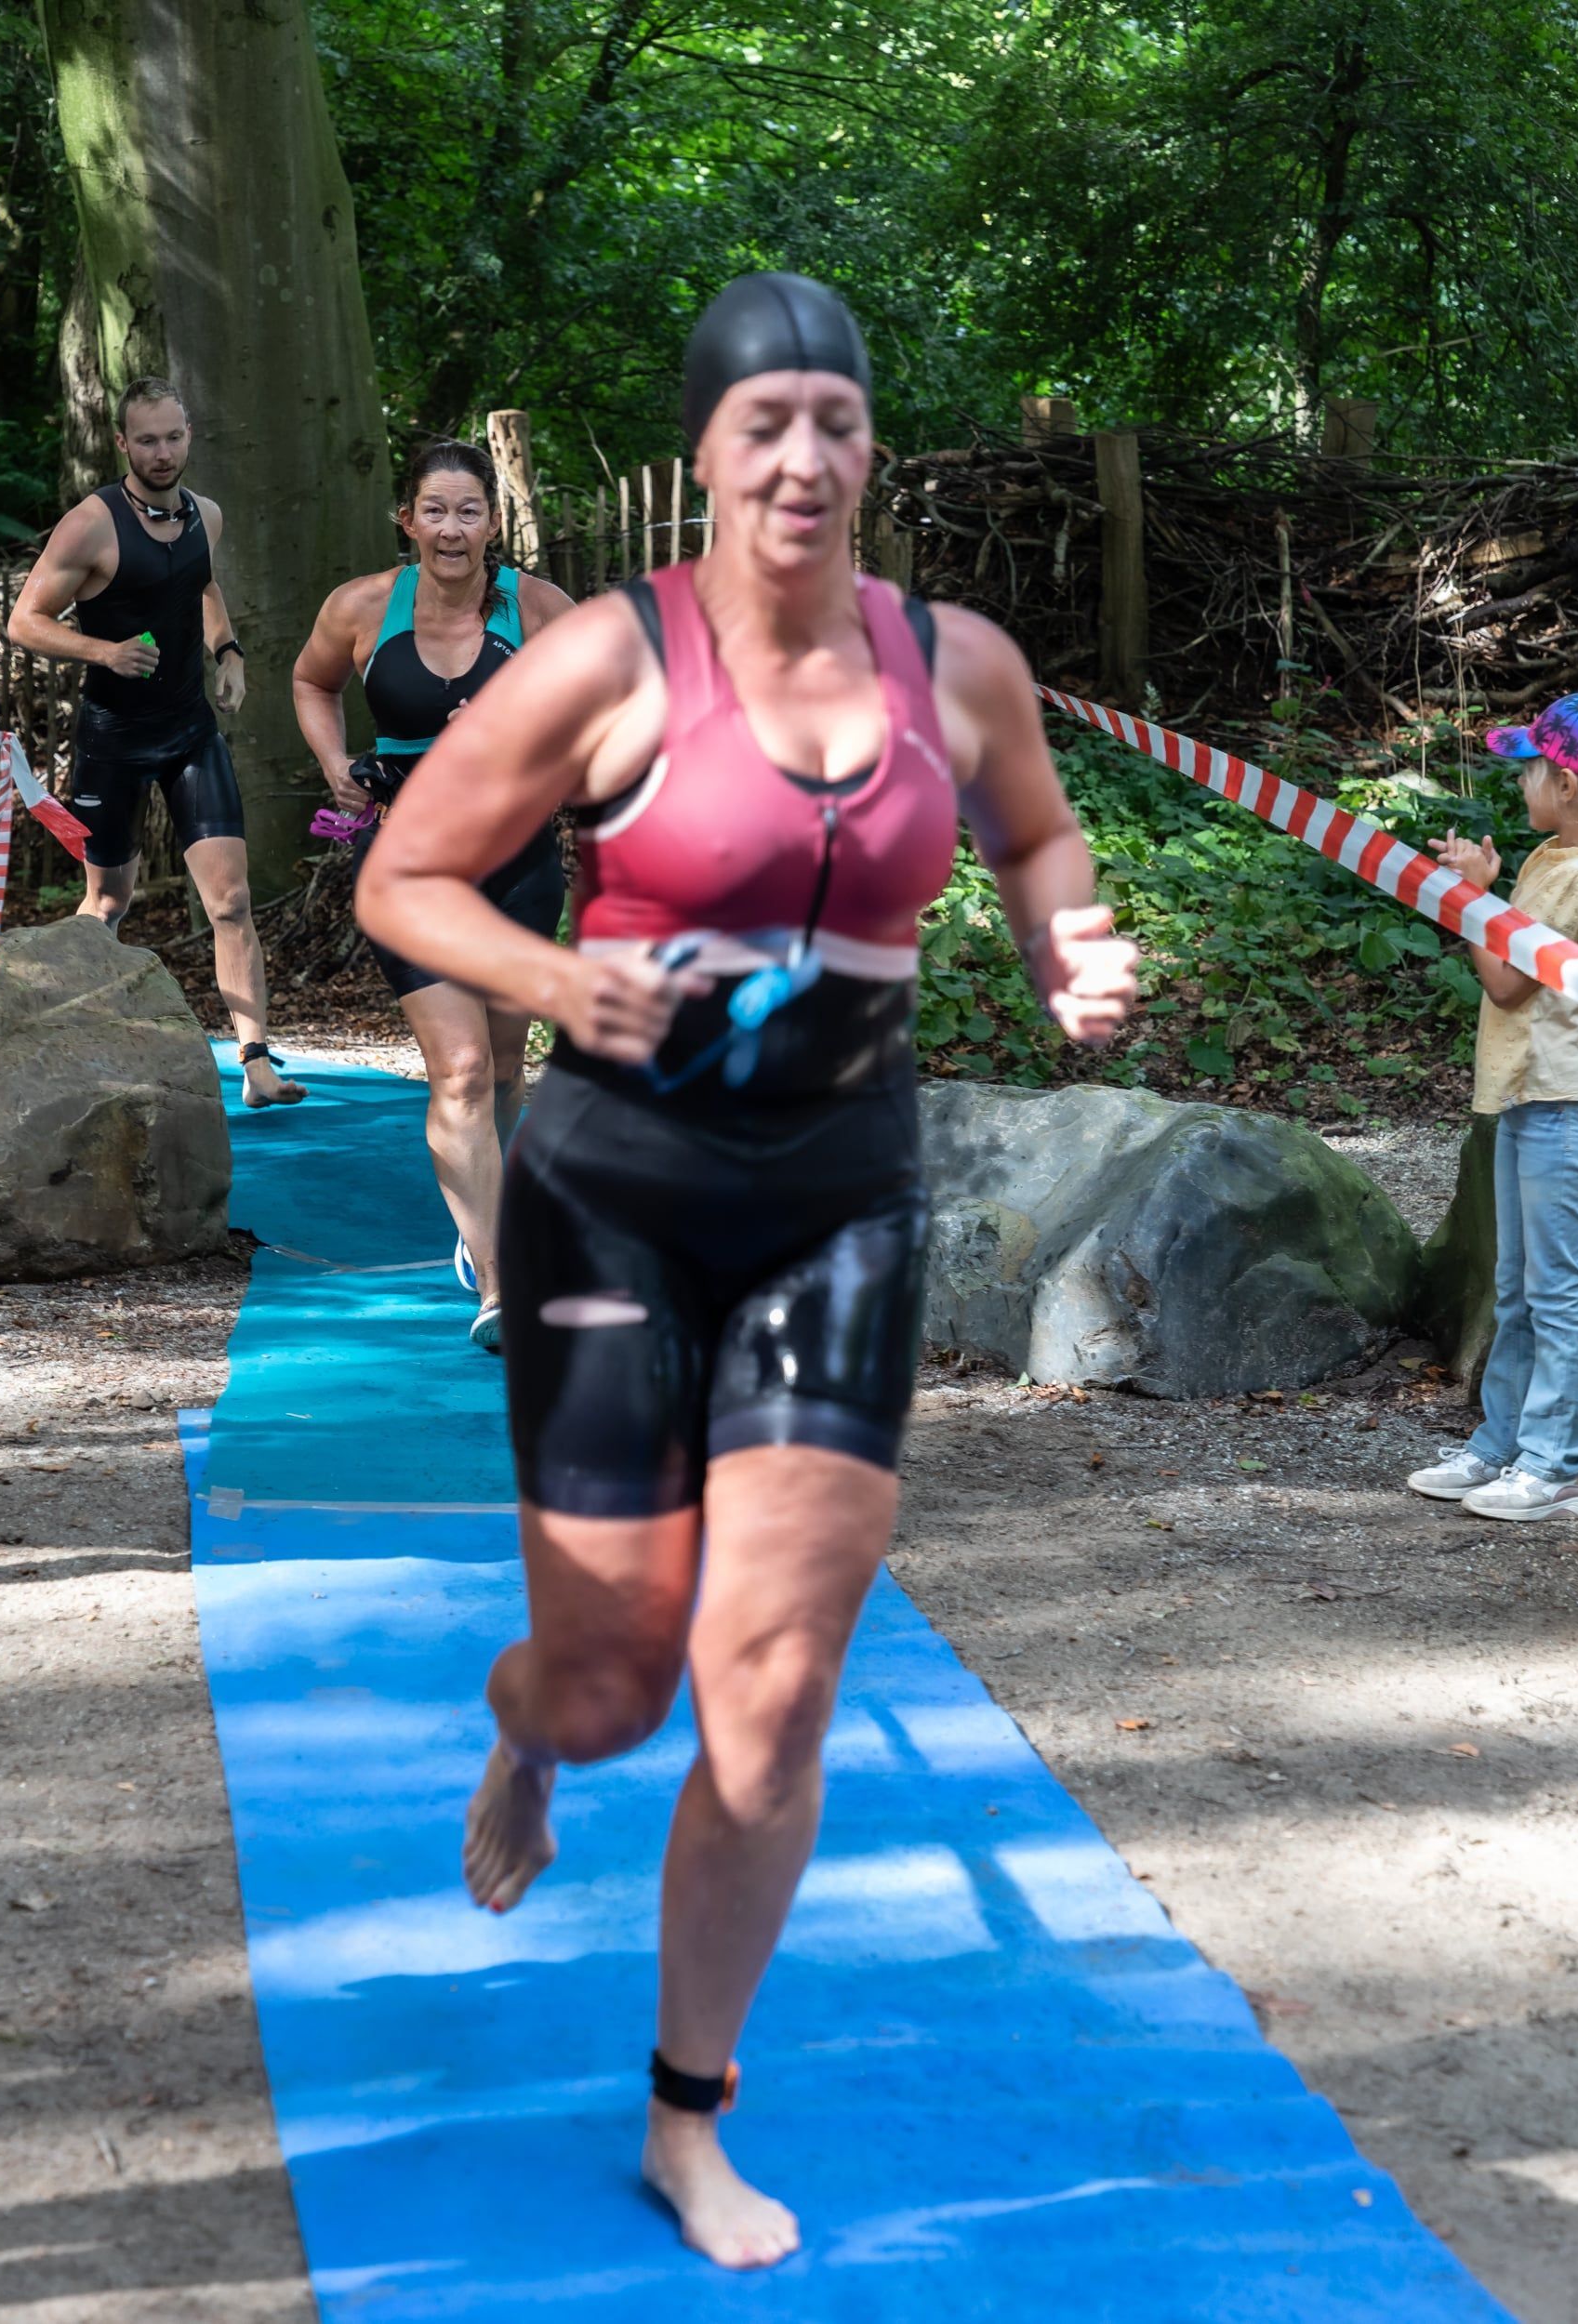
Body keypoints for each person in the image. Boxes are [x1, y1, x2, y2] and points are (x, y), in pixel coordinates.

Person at [356, 273, 1137, 2269]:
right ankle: (528, 1714)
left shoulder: (953, 664)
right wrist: (554, 978)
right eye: (761, 423)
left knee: (773, 1698)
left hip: (834, 1204)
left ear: (872, 446)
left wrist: (1068, 942)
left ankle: (685, 2114)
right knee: (621, 1688)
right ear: (700, 454)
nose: (802, 458)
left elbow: (1036, 838)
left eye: (835, 421)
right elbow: (400, 874)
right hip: (610, 1199)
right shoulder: (608, 658)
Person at [294, 442, 572, 1349]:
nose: (452, 529)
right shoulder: (361, 607)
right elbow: (310, 680)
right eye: (434, 511)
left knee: (498, 1065)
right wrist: (337, 765)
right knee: (454, 1068)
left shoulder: (538, 610)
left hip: (517, 859)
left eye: (469, 512)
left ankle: (495, 1220)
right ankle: (497, 1283)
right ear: (405, 519)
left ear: (494, 522)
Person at [7, 376, 303, 1110]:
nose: (162, 452)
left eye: (173, 437)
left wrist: (227, 649)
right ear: (122, 444)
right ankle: (67, 1041)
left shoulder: (207, 515)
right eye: (147, 440)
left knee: (230, 900)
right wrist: (101, 651)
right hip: (112, 737)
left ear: (189, 435)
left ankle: (257, 1062)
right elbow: (23, 621)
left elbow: (200, 585)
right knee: (106, 903)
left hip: (189, 730)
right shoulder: (92, 525)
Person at [1408, 695, 1578, 1521]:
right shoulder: (1549, 856)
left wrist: (1466, 901)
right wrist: (1484, 894)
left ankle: (1560, 1462)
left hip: (1566, 1102)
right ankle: (1502, 1444)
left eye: (1527, 771)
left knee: (1556, 1292)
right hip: (1527, 1093)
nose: (1519, 785)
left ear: (1567, 781)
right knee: (1516, 1288)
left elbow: (1507, 979)